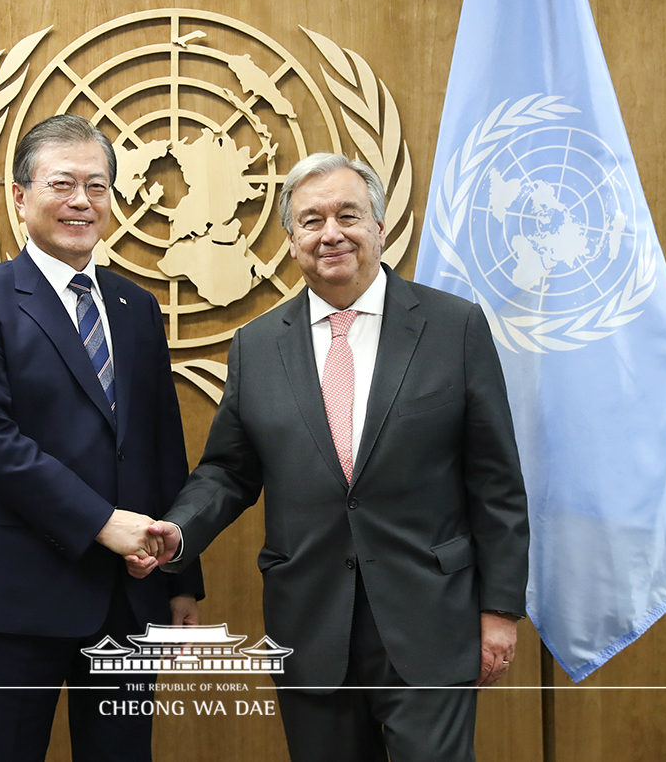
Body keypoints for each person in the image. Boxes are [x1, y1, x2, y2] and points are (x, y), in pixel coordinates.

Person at [129, 153, 528, 762]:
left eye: (349, 215)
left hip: (430, 618)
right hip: (311, 622)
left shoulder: (455, 327)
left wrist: (499, 610)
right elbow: (229, 471)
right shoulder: (257, 345)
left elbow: (495, 481)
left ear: (380, 228)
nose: (331, 233)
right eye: (312, 220)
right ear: (291, 240)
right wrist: (177, 533)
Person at [0, 114, 204, 762]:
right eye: (63, 183)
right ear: (20, 196)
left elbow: (160, 445)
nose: (82, 201)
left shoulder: (135, 306)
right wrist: (101, 522)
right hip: (17, 591)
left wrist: (180, 576)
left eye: (97, 185)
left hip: (128, 594)